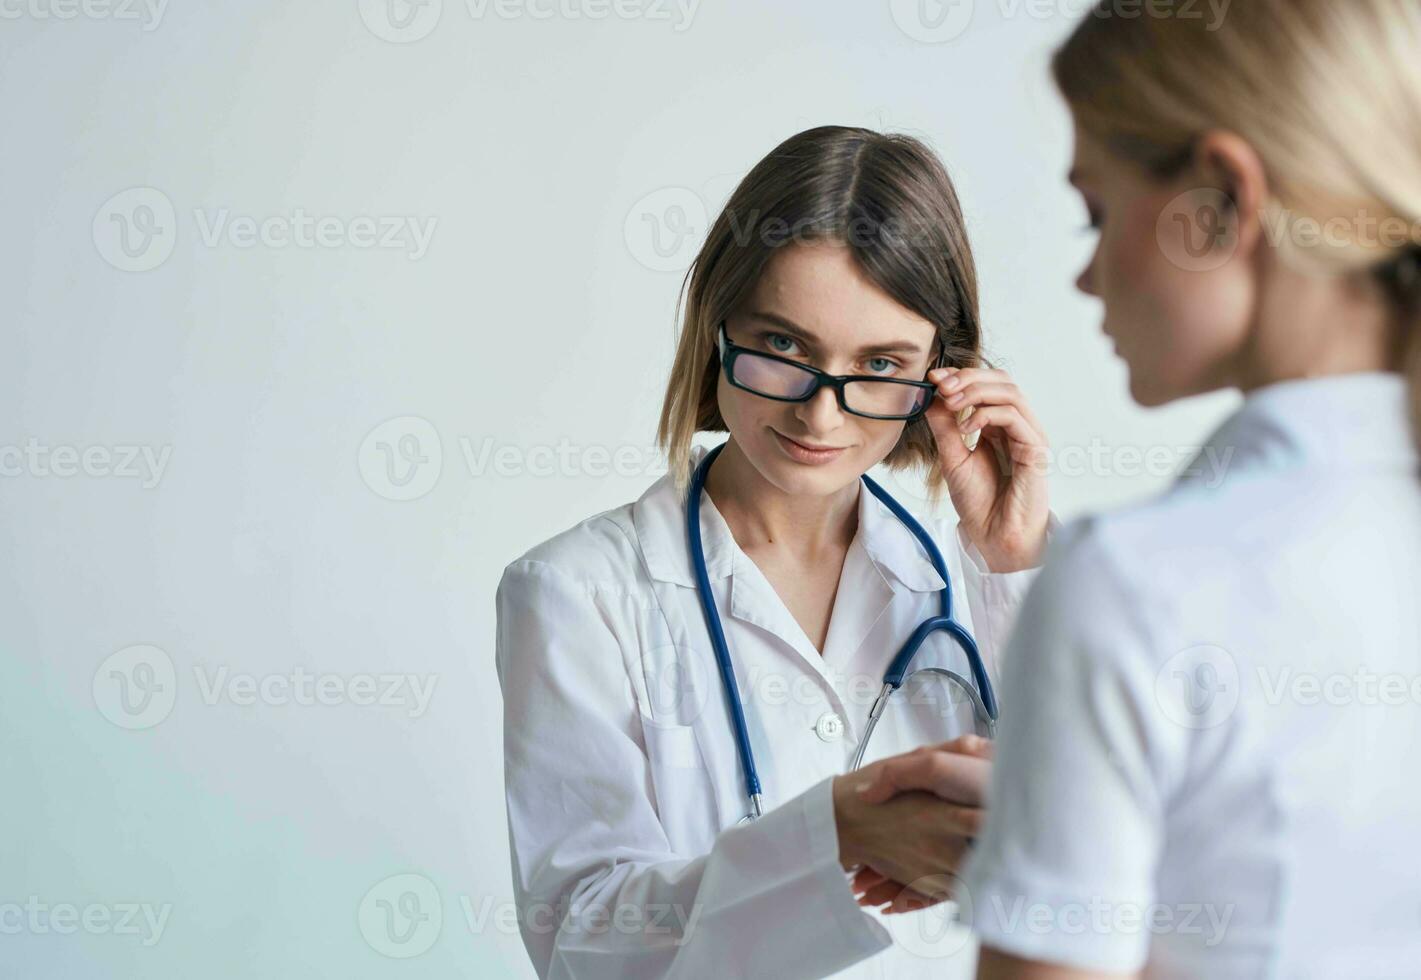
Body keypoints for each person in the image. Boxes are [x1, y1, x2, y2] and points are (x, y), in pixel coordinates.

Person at [850, 2, 1421, 976]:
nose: (1082, 275)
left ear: (1217, 202)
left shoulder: (1133, 580)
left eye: (1095, 211)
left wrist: (1051, 843)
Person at [494, 125, 1056, 979]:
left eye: (877, 364)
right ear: (716, 330)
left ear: (941, 376)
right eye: (784, 347)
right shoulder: (577, 593)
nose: (819, 416)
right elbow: (582, 944)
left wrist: (1012, 564)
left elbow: (1093, 845)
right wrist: (833, 833)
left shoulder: (972, 586)